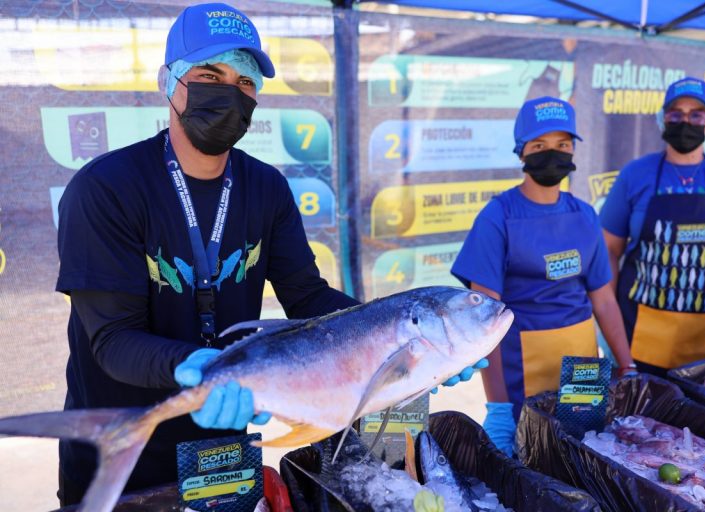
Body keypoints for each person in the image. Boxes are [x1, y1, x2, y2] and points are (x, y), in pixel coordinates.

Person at [55, 3, 482, 505]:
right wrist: (199, 367)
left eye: (244, 82)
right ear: (168, 82)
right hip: (122, 453)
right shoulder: (106, 188)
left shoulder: (266, 187)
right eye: (210, 75)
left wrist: (405, 339)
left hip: (225, 450)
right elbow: (112, 340)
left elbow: (308, 297)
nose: (229, 92)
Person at [451, 96, 635, 457]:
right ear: (522, 151)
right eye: (539, 145)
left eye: (562, 145)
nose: (553, 154)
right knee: (531, 460)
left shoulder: (584, 215)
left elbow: (604, 300)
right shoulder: (497, 217)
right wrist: (498, 407)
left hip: (583, 371)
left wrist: (627, 366)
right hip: (522, 371)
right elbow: (482, 319)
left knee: (582, 458)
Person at [601, 77, 705, 378]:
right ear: (662, 119)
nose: (685, 122)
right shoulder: (635, 175)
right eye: (676, 114)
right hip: (643, 337)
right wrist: (608, 319)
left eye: (696, 115)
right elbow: (609, 251)